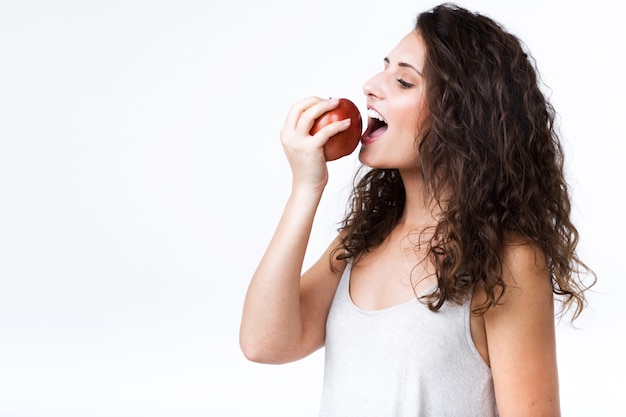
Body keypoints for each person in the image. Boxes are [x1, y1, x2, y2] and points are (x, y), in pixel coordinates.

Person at [240, 3, 594, 416]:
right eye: (384, 68)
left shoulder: (509, 262)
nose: (371, 85)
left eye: (404, 81)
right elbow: (264, 343)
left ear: (460, 115)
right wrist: (306, 188)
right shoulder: (364, 240)